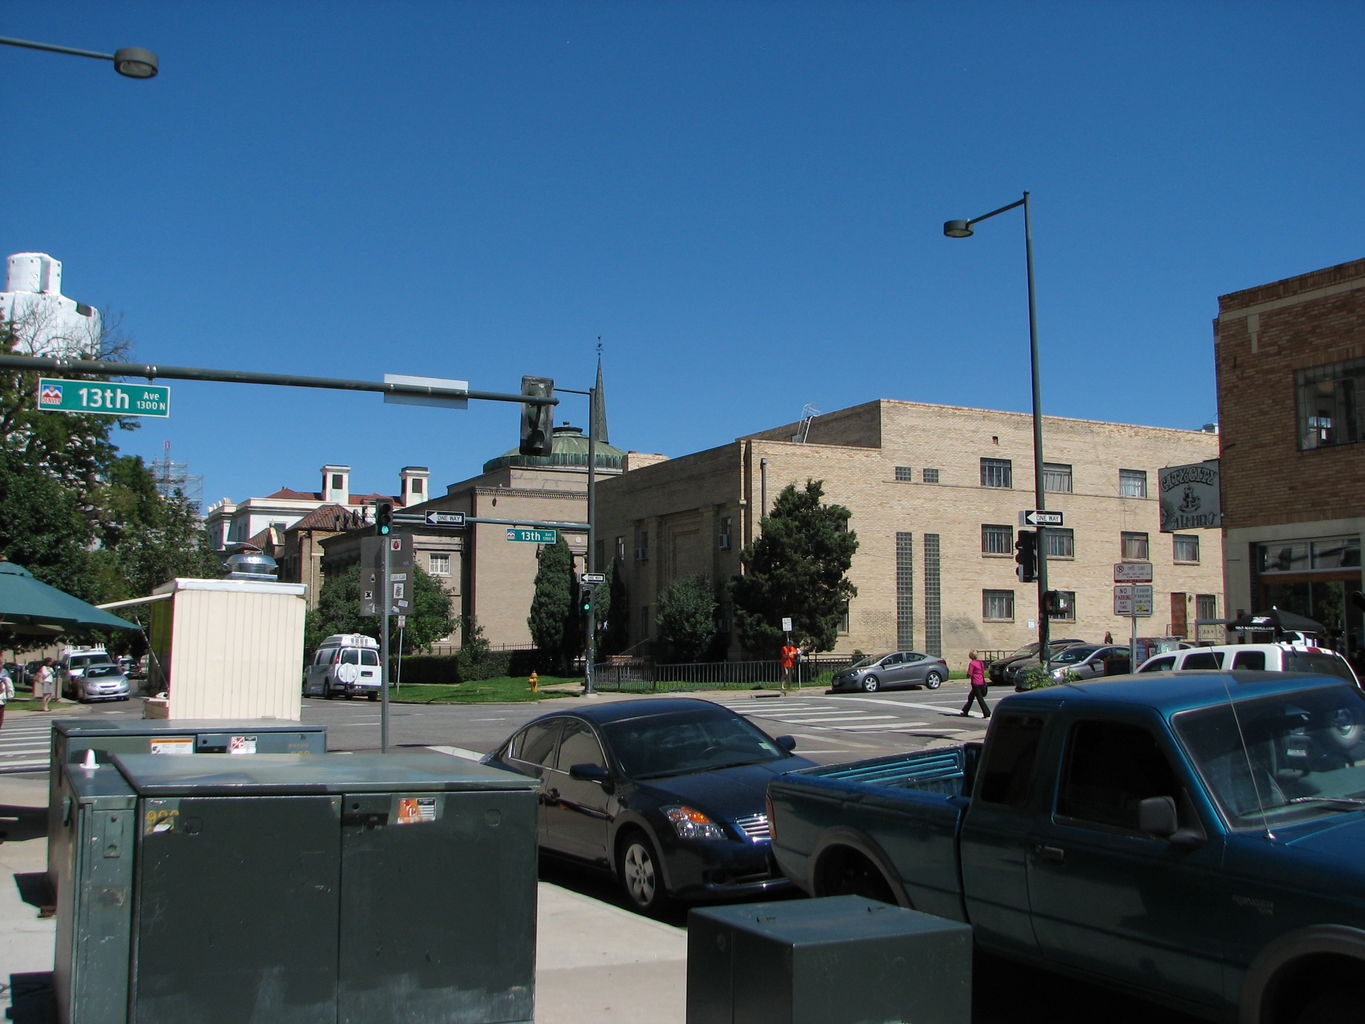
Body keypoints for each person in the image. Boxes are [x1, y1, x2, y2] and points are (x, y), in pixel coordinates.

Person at [959, 650, 991, 719]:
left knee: (979, 698)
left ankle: (987, 712)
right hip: (981, 681)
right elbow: (982, 671)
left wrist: (967, 675)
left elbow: (969, 674)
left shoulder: (972, 663)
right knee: (970, 697)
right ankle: (965, 710)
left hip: (975, 682)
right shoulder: (981, 663)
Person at [0, 663, 13, 730]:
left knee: (1, 713)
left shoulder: (4, 673)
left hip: (2, 697)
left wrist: (10, 694)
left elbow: (8, 683)